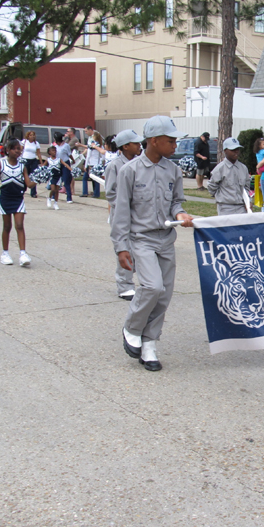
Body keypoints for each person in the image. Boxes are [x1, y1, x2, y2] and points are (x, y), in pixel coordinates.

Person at [110, 115, 194, 372]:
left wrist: (180, 214)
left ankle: (149, 344)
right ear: (154, 141)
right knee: (152, 287)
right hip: (141, 239)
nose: (175, 145)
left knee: (164, 296)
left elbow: (176, 202)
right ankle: (132, 327)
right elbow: (120, 211)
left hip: (166, 239)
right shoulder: (130, 171)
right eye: (170, 141)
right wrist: (121, 247)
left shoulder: (173, 170)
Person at [0, 138, 36, 266]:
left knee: (19, 225)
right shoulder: (1, 164)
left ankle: (23, 254)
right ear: (8, 150)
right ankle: (5, 253)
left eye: (19, 149)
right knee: (7, 226)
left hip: (18, 199)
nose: (18, 151)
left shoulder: (22, 166)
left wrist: (38, 178)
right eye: (15, 149)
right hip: (5, 199)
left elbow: (29, 184)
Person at [104, 129, 143, 301]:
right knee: (124, 248)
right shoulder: (114, 166)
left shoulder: (139, 164)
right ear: (125, 146)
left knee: (139, 248)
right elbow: (111, 192)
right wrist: (124, 206)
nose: (139, 146)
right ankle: (124, 286)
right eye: (135, 143)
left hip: (138, 214)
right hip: (122, 214)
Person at [207, 137, 250, 215]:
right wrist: (221, 198)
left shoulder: (243, 168)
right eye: (233, 150)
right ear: (225, 151)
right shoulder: (220, 169)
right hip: (225, 208)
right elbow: (211, 187)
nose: (236, 152)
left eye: (237, 149)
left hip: (241, 208)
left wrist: (248, 202)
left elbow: (246, 188)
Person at [78, 127, 104, 198]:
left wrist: (99, 164)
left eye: (93, 138)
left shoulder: (99, 146)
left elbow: (102, 155)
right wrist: (86, 165)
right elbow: (88, 156)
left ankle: (96, 193)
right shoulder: (90, 147)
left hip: (95, 164)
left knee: (95, 179)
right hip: (89, 163)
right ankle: (85, 192)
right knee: (85, 178)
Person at [20, 131, 42, 198]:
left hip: (33, 160)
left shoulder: (36, 143)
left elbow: (38, 153)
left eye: (33, 135)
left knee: (34, 176)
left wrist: (41, 163)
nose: (32, 136)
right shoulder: (24, 142)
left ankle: (33, 192)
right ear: (28, 136)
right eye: (31, 135)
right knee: (25, 175)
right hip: (25, 159)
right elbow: (20, 150)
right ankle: (22, 190)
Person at [53, 132, 74, 203]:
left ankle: (69, 197)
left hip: (65, 163)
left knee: (66, 180)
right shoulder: (55, 146)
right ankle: (54, 196)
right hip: (58, 164)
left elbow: (69, 154)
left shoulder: (66, 146)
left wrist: (73, 160)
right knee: (56, 180)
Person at [44, 145, 63, 210]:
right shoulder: (48, 160)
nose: (54, 152)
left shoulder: (59, 159)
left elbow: (65, 164)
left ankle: (55, 203)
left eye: (55, 151)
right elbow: (43, 166)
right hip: (51, 176)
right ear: (49, 152)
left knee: (57, 190)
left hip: (58, 176)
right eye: (52, 151)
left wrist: (71, 169)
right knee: (53, 189)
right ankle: (49, 198)